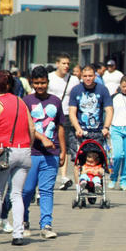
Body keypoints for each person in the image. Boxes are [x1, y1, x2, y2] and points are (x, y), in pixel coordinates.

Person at [0, 71, 34, 246]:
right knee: (16, 194)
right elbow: (31, 129)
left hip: (4, 152)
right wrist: (28, 146)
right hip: (24, 150)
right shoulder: (21, 102)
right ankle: (18, 234)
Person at [21, 66, 67, 239]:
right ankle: (23, 220)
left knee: (47, 190)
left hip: (51, 154)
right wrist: (41, 139)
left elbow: (61, 126)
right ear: (32, 83)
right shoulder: (26, 101)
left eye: (43, 83)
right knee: (27, 190)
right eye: (37, 83)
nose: (40, 86)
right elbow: (26, 126)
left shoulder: (55, 101)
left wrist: (61, 150)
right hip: (31, 152)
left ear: (48, 82)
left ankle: (46, 224)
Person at [69, 65, 113, 187]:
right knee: (79, 161)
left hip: (97, 131)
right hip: (80, 131)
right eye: (85, 76)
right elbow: (72, 112)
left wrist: (106, 127)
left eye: (90, 76)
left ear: (95, 76)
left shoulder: (102, 90)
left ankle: (95, 183)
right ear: (81, 76)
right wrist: (78, 128)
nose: (88, 79)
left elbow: (109, 110)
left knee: (97, 159)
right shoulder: (76, 90)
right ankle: (80, 188)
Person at [49, 54, 81, 190]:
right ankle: (50, 175)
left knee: (64, 146)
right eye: (63, 63)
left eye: (68, 63)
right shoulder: (50, 77)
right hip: (51, 115)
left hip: (67, 115)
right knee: (51, 145)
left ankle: (63, 176)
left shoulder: (73, 80)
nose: (66, 66)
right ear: (57, 64)